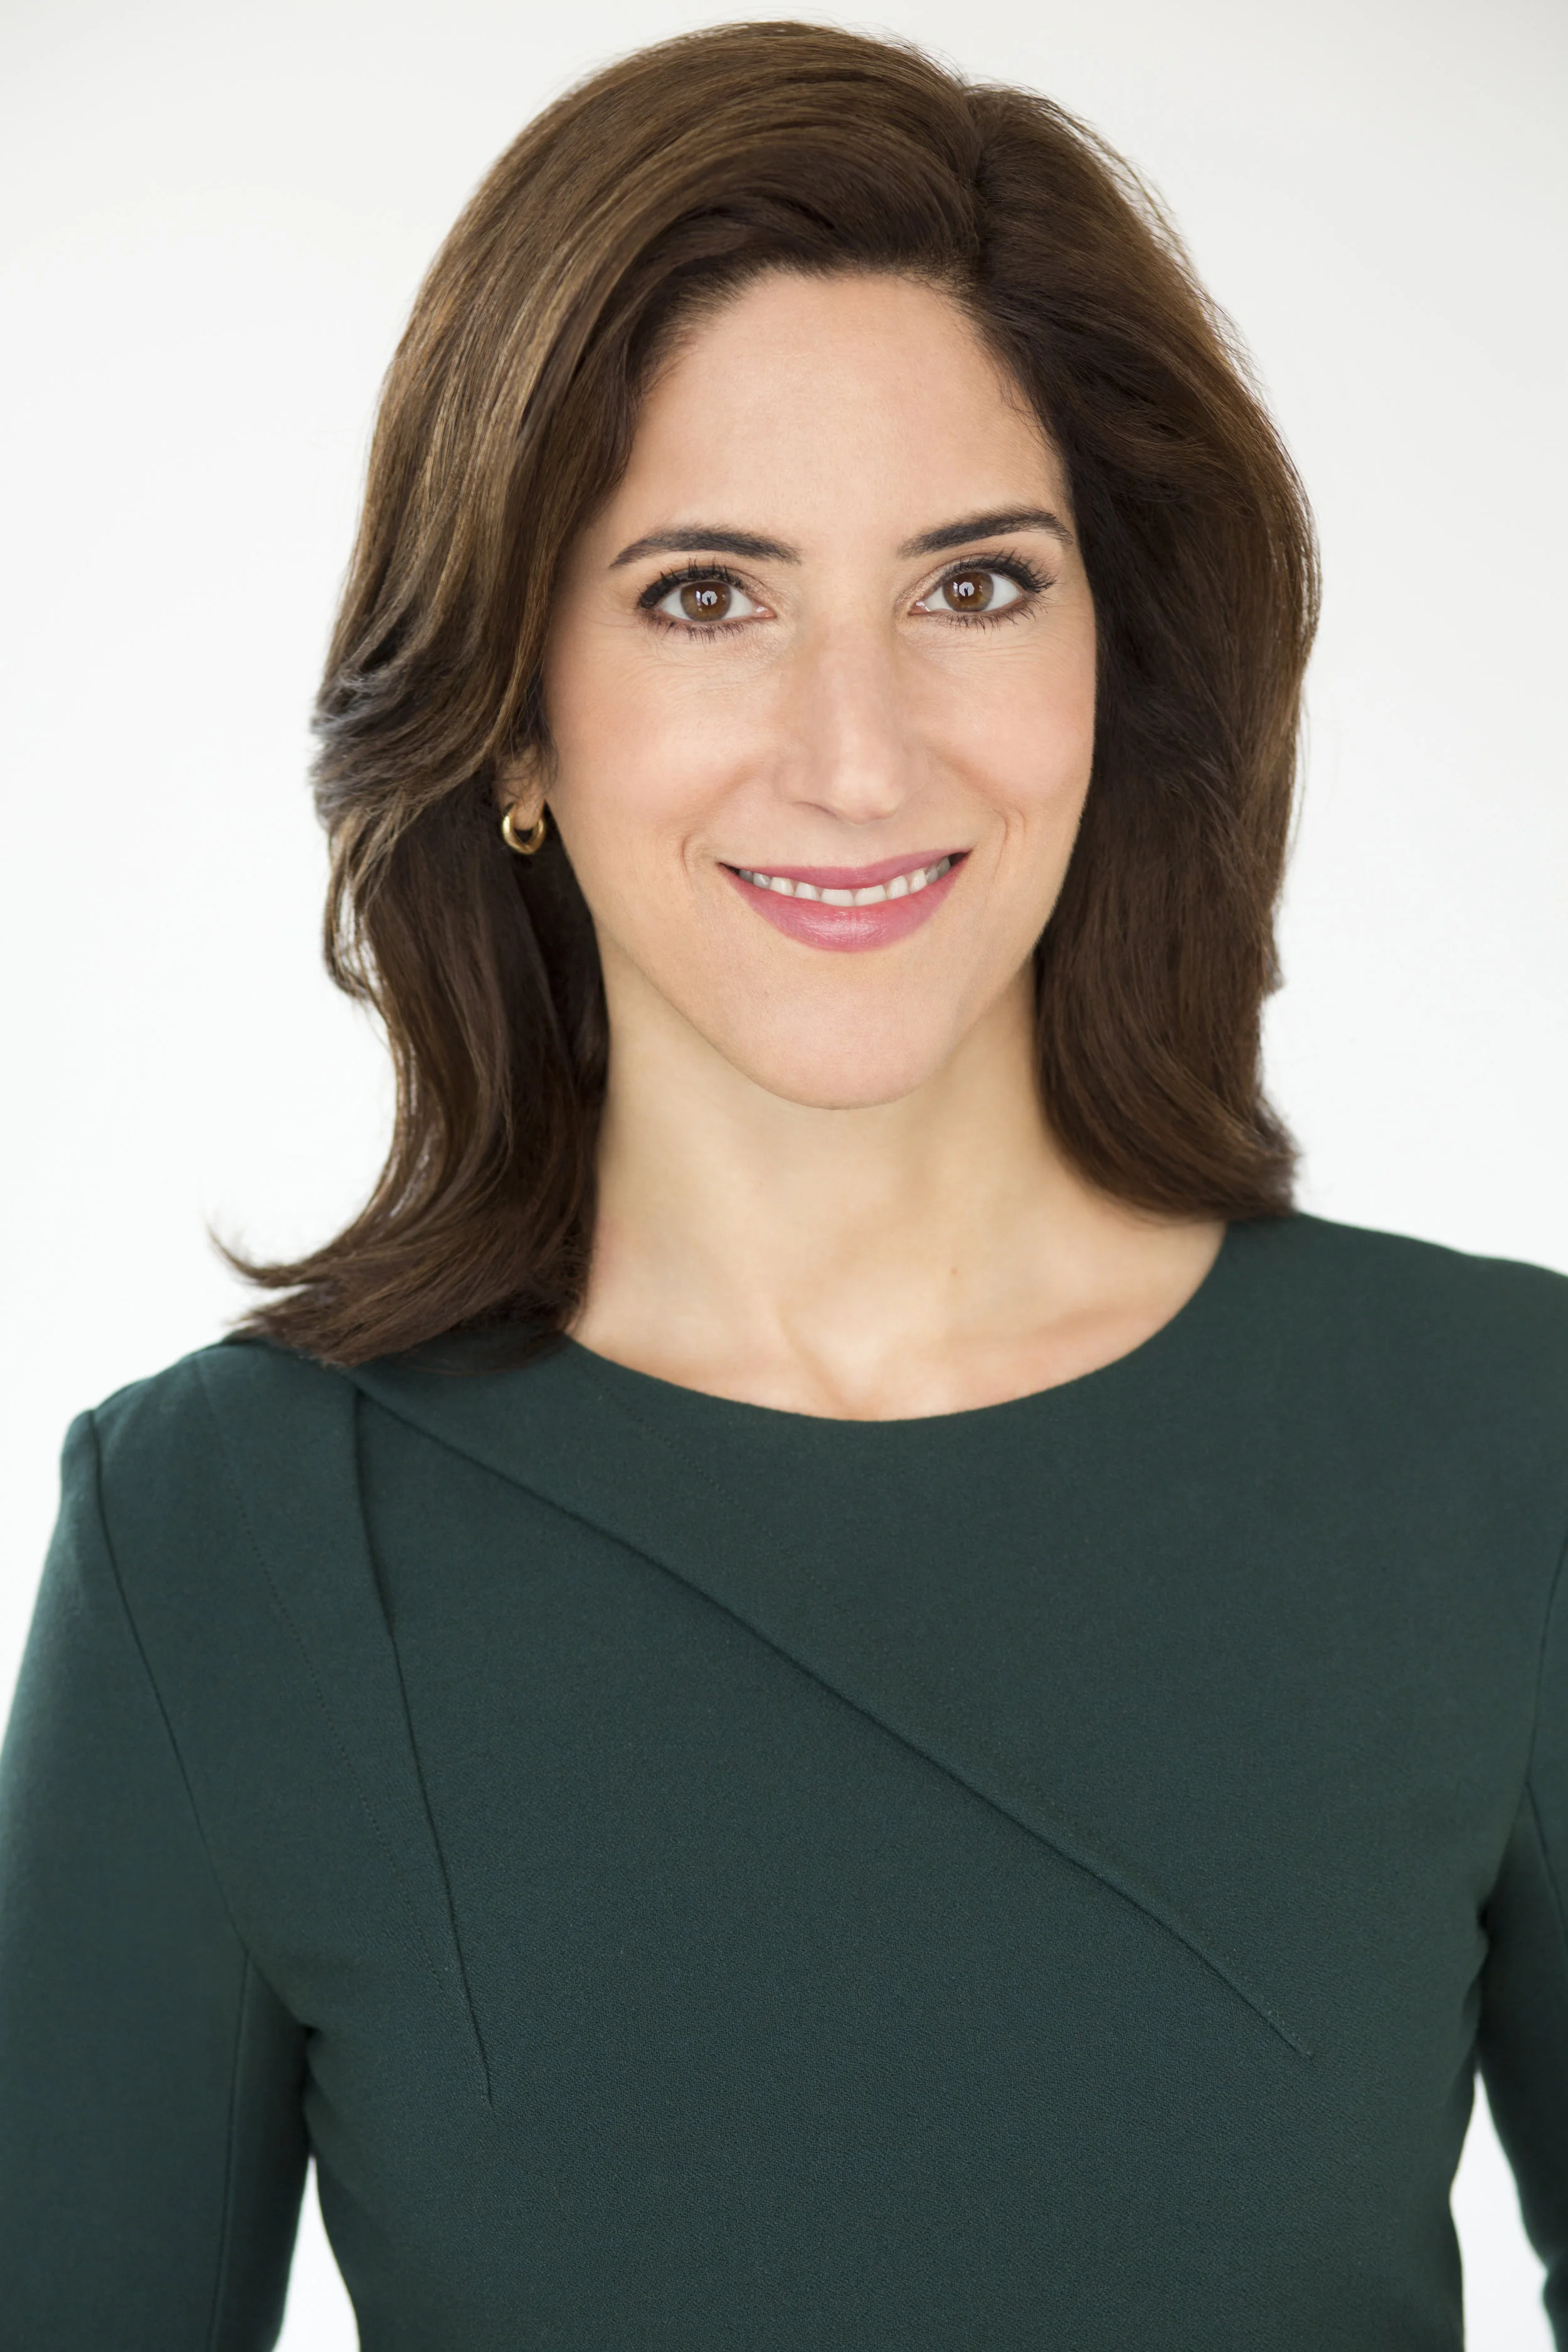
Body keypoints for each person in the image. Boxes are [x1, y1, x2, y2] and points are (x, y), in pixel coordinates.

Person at [2, 19, 1565, 2348]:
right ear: (512, 713)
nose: (856, 756)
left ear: (1118, 660)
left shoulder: (1501, 1444)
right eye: (704, 595)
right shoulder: (225, 1538)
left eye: (974, 586)